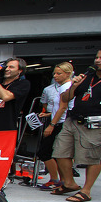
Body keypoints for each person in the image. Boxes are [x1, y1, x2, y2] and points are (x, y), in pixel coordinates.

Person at [51, 47, 101, 202]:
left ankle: (86, 190)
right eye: (97, 57)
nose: (98, 60)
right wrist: (74, 85)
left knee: (92, 157)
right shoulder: (87, 75)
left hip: (96, 123)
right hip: (73, 120)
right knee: (60, 151)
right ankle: (69, 183)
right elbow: (65, 98)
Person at [37, 62, 75, 190]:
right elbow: (55, 107)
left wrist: (52, 125)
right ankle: (62, 180)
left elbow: (63, 108)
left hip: (61, 123)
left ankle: (57, 179)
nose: (55, 75)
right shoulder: (56, 87)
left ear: (68, 74)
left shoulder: (68, 87)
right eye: (55, 73)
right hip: (56, 121)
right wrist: (48, 115)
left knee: (48, 151)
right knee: (55, 152)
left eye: (59, 73)